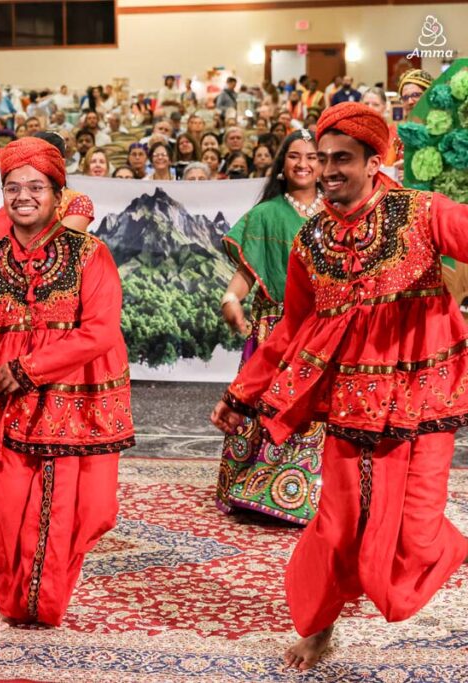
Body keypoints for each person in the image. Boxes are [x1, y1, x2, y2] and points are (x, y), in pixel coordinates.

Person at [211, 102, 468, 671]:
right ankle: (319, 627)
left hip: (422, 402)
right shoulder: (312, 243)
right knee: (337, 526)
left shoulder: (423, 213)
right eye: (322, 158)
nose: (327, 169)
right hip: (349, 405)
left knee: (416, 542)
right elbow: (291, 330)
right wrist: (241, 393)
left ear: (375, 162)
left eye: (341, 159)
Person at [0, 136, 134, 627]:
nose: (23, 196)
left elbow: (100, 331)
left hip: (76, 404)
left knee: (85, 510)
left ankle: (44, 603)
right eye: (12, 187)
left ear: (56, 193)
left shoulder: (90, 254)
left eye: (35, 187)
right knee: (4, 513)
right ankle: (20, 602)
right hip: (8, 405)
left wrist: (29, 369)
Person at [217, 129, 325, 525]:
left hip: (322, 329)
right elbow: (245, 276)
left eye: (312, 157)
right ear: (281, 166)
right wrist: (231, 301)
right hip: (274, 327)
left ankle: (303, 493)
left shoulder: (340, 212)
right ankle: (256, 489)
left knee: (312, 411)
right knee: (264, 405)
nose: (303, 164)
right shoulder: (265, 215)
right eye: (294, 156)